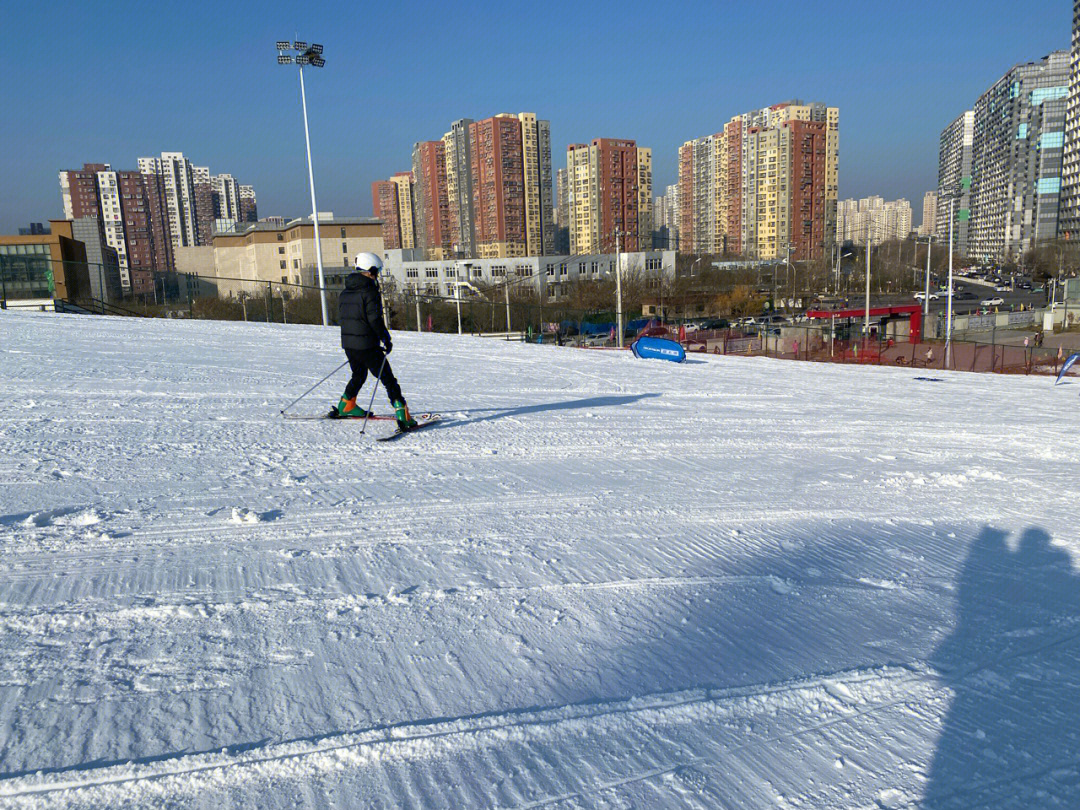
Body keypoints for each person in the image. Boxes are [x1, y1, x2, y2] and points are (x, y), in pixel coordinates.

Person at [333, 252, 417, 430]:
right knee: (387, 379)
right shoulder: (369, 292)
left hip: (349, 344)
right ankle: (402, 413)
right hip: (367, 345)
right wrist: (386, 339)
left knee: (359, 374)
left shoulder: (345, 292)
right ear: (370, 270)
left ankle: (346, 404)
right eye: (377, 270)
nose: (377, 274)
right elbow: (374, 320)